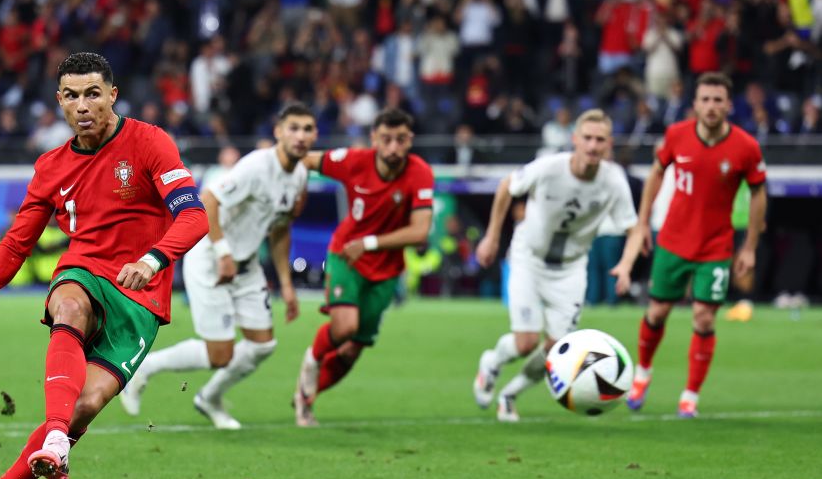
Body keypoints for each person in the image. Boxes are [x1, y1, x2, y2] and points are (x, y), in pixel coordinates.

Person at [0, 52, 208, 479]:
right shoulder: (51, 166)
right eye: (72, 96)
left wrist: (152, 259)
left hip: (140, 294)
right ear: (59, 101)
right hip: (85, 268)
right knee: (69, 303)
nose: (83, 106)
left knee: (87, 405)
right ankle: (54, 437)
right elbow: (18, 241)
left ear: (112, 95)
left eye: (93, 94)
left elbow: (194, 215)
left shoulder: (149, 142)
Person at [119, 103, 317, 428]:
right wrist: (223, 252)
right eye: (293, 128)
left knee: (263, 344)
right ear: (279, 132)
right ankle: (146, 367)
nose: (301, 136)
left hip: (246, 263)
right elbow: (208, 199)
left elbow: (280, 230)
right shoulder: (256, 166)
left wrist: (286, 284)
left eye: (307, 129)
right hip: (211, 256)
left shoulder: (299, 176)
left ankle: (208, 398)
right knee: (220, 354)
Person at [472, 109, 641, 423]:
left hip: (571, 269)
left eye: (599, 140)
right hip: (528, 258)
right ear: (574, 139)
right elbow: (507, 186)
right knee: (525, 342)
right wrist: (492, 237)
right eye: (587, 138)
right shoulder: (549, 168)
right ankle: (492, 362)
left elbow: (635, 229)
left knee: (556, 350)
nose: (592, 146)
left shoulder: (614, 181)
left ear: (609, 144)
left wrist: (627, 265)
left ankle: (509, 396)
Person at [626, 72, 767, 418]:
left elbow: (759, 192)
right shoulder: (676, 135)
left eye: (718, 100)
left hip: (716, 247)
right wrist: (643, 223)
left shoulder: (746, 147)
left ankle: (690, 395)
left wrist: (748, 246)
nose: (711, 106)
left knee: (704, 319)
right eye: (705, 99)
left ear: (729, 105)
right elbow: (657, 173)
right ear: (695, 104)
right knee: (657, 311)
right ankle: (642, 373)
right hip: (673, 241)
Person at [291, 108, 434, 427]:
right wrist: (296, 192)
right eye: (386, 139)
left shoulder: (420, 172)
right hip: (347, 256)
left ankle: (304, 398)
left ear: (410, 140)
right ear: (375, 139)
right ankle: (310, 366)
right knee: (344, 327)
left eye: (400, 140)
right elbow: (306, 161)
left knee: (352, 351)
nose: (393, 147)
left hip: (385, 268)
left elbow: (420, 231)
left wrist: (370, 243)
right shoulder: (354, 161)